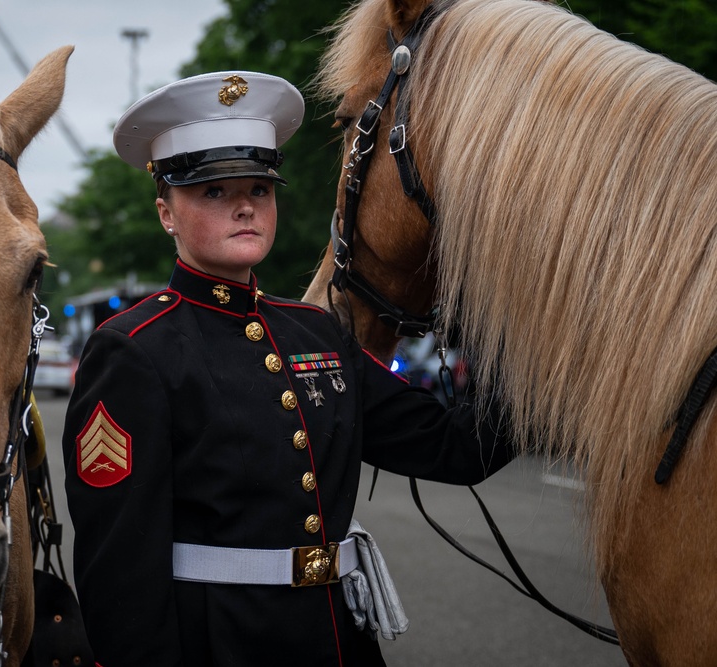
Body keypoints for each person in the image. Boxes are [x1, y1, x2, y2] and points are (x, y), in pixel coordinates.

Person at [62, 71, 514, 667]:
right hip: (220, 646)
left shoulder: (318, 331)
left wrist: (516, 312)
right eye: (214, 192)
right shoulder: (133, 350)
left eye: (259, 187)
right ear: (166, 213)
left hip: (337, 642)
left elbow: (458, 450)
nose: (246, 204)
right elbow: (120, 575)